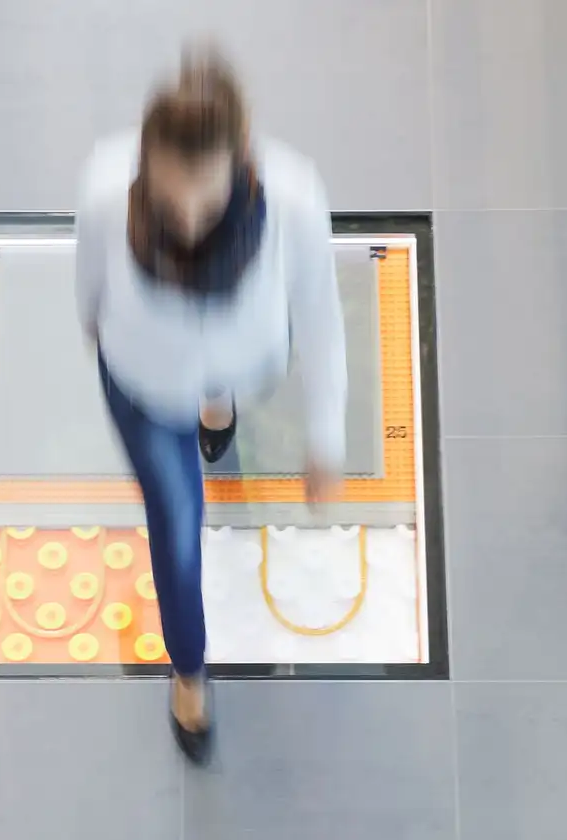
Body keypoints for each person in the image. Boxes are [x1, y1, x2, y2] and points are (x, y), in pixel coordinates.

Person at [74, 46, 347, 764]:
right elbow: (90, 276)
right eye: (168, 199)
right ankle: (188, 669)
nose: (188, 220)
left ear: (242, 161)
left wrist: (326, 435)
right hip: (142, 384)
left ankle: (216, 402)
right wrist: (92, 326)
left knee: (218, 373)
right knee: (175, 529)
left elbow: (319, 315)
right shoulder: (108, 184)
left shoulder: (290, 198)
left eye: (204, 195)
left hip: (242, 359)